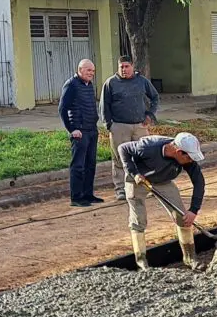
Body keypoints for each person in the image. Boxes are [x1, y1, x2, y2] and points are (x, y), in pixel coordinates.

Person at [118, 132, 206, 271]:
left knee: (183, 218)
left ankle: (190, 258)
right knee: (138, 221)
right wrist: (134, 173)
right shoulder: (147, 147)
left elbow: (199, 182)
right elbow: (123, 148)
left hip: (163, 181)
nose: (191, 161)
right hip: (139, 181)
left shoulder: (188, 158)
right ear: (179, 152)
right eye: (189, 157)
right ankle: (142, 263)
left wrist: (193, 210)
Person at [101, 56, 159, 201]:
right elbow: (104, 105)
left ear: (132, 66)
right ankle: (121, 189)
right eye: (121, 67)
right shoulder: (111, 83)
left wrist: (150, 114)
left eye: (126, 66)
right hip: (119, 126)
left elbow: (155, 97)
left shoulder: (142, 81)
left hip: (140, 125)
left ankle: (146, 185)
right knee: (119, 158)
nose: (124, 69)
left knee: (144, 156)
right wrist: (109, 125)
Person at [58, 59, 101, 207]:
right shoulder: (71, 85)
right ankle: (76, 197)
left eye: (93, 71)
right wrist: (72, 129)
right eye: (88, 70)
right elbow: (62, 109)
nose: (91, 74)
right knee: (78, 166)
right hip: (79, 132)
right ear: (80, 69)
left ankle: (87, 194)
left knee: (90, 164)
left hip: (91, 130)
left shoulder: (89, 85)